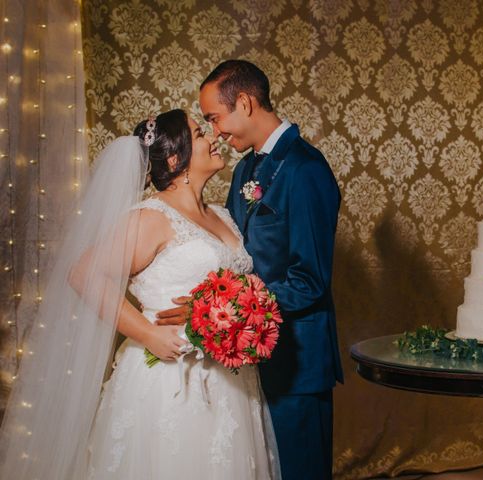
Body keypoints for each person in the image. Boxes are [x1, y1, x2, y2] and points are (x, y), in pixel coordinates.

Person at [0, 109, 280, 479]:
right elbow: (84, 273)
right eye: (199, 134)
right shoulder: (151, 217)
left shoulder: (222, 215)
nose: (213, 136)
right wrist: (147, 334)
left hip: (231, 381)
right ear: (176, 158)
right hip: (169, 377)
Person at [157, 60, 343, 479]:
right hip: (248, 363)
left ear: (244, 102)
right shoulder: (245, 169)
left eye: (215, 118)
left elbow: (310, 282)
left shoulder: (306, 169)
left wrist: (218, 308)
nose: (215, 132)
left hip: (297, 365)